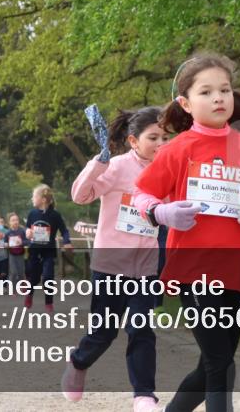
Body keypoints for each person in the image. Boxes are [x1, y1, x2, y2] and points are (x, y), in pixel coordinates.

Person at [133, 53, 240, 412]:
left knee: (216, 361)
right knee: (219, 365)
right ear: (185, 103)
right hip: (194, 269)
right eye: (206, 92)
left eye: (224, 90)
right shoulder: (178, 148)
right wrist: (160, 211)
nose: (218, 98)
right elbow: (141, 194)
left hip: (236, 268)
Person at [61, 105, 170, 411]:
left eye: (165, 137)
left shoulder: (168, 168)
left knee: (141, 329)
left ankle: (144, 395)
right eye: (154, 138)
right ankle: (79, 361)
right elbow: (80, 195)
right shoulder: (118, 166)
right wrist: (98, 163)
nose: (162, 144)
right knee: (104, 331)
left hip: (146, 266)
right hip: (110, 265)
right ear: (134, 141)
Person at [24, 184, 73, 311]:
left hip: (48, 252)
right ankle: (29, 294)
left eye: (34, 196)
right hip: (34, 251)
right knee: (34, 277)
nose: (32, 199)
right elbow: (28, 229)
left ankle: (49, 303)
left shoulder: (55, 215)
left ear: (43, 199)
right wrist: (27, 233)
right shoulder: (32, 214)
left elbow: (64, 230)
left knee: (48, 277)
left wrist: (67, 242)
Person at [2, 213, 26, 285]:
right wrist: (6, 245)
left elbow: (27, 241)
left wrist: (21, 242)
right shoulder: (8, 233)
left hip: (21, 254)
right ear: (9, 222)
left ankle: (23, 285)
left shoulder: (22, 231)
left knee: (21, 271)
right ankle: (12, 288)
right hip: (11, 254)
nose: (15, 222)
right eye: (13, 220)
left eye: (17, 220)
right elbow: (5, 243)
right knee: (13, 272)